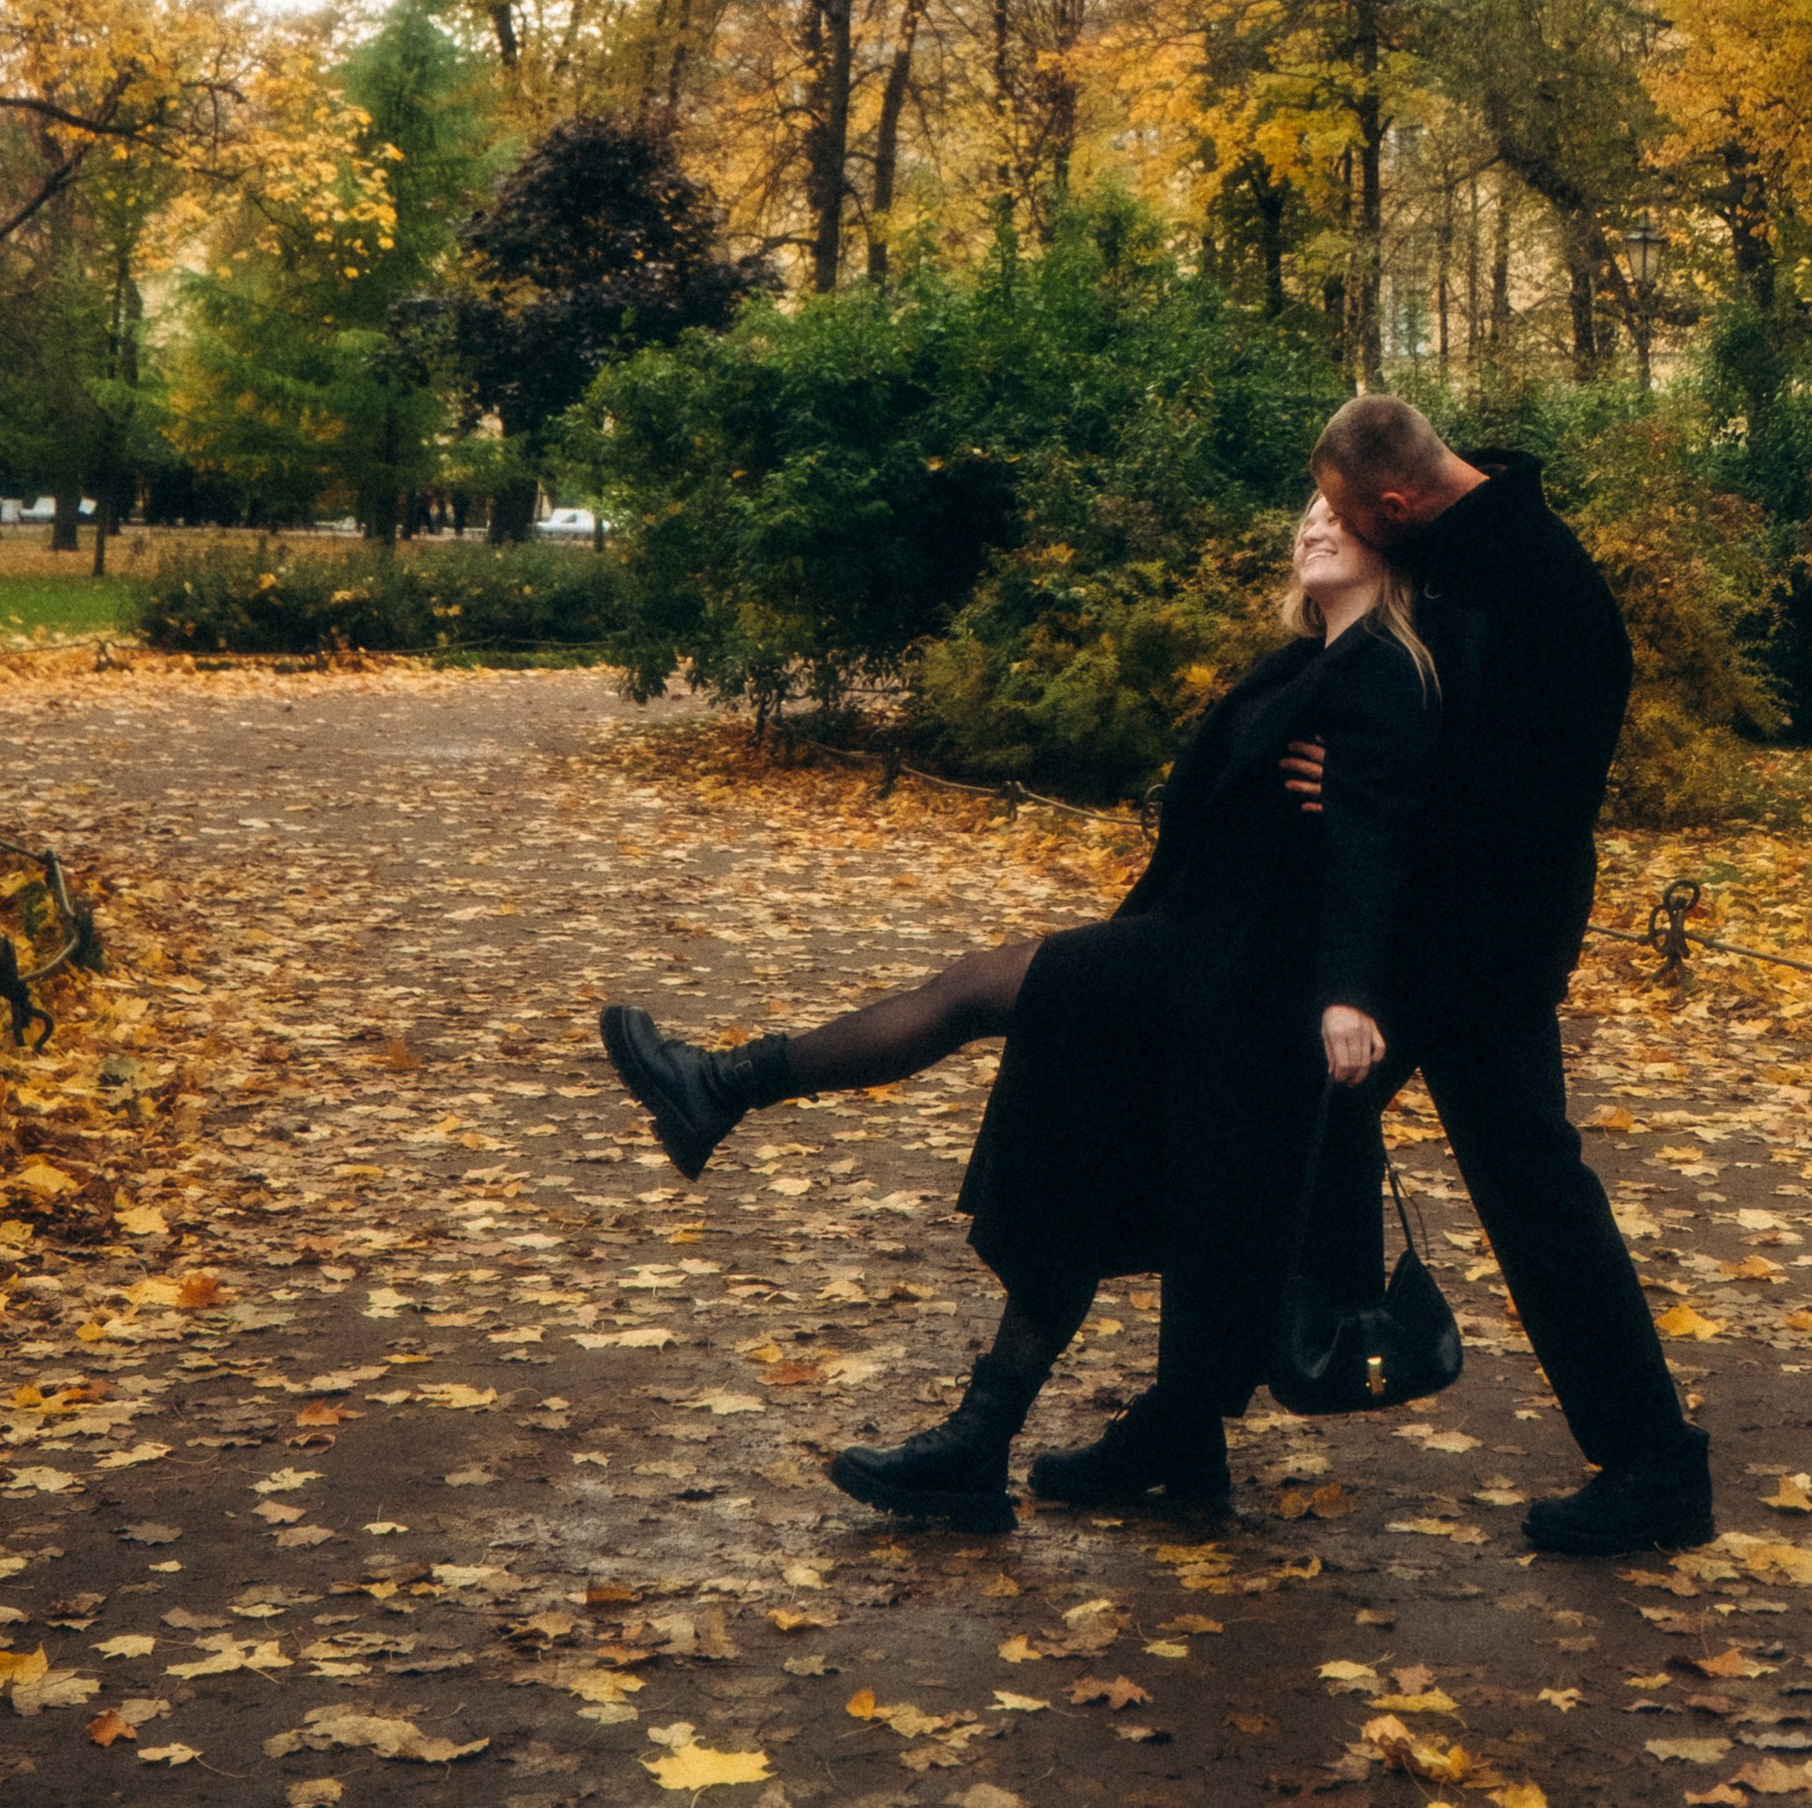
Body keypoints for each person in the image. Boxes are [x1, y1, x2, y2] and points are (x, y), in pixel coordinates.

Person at [598, 495, 1439, 1531]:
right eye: (1307, 517)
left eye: (1340, 520)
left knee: (981, 989)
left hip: (1246, 986)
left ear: (1388, 543)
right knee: (1074, 1169)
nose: (1315, 529)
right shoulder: (1306, 660)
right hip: (1205, 967)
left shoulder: (1383, 673)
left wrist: (1351, 991)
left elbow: (1379, 847)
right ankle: (1034, 1443)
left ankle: (725, 1085)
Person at [1297, 393, 1714, 1557]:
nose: (1333, 529)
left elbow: (1527, 797)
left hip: (1480, 944)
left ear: (1394, 501)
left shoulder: (1537, 589)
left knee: (1530, 1189)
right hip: (1426, 930)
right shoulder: (1463, 555)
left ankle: (1654, 1462)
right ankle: (1186, 1416)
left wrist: (1365, 787)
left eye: (1341, 513)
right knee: (1277, 1136)